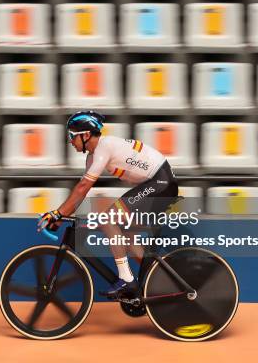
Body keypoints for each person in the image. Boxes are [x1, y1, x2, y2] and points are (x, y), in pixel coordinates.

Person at [37, 110, 179, 299]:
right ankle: (158, 276)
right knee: (125, 233)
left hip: (161, 184)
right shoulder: (93, 156)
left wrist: (57, 213)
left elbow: (83, 187)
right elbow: (81, 192)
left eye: (72, 136)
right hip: (156, 184)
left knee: (108, 219)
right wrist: (60, 215)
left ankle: (127, 280)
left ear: (86, 135)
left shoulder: (104, 147)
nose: (70, 141)